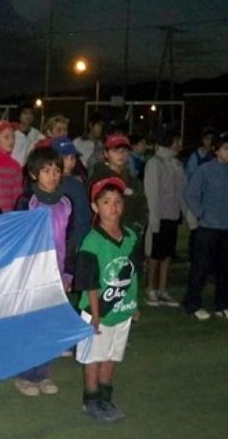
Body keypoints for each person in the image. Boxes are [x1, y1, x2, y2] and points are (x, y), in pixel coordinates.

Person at [75, 176, 141, 422]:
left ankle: (105, 397)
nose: (113, 207)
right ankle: (91, 400)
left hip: (122, 310)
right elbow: (89, 282)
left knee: (113, 355)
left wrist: (134, 305)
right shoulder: (91, 242)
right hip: (99, 313)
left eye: (118, 202)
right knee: (94, 357)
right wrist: (95, 314)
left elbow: (134, 274)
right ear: (95, 207)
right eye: (106, 202)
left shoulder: (131, 237)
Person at [13, 147, 73, 397]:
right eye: (46, 170)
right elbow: (16, 240)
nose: (52, 175)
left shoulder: (66, 203)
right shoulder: (26, 202)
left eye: (57, 170)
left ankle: (44, 373)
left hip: (56, 274)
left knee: (49, 325)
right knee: (30, 326)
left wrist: (67, 274)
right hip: (30, 275)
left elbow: (68, 241)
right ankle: (26, 375)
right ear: (34, 173)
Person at [182, 132, 228, 321]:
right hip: (208, 228)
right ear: (216, 150)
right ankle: (192, 304)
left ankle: (224, 304)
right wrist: (202, 214)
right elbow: (191, 194)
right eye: (226, 148)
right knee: (201, 269)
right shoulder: (205, 170)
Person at [143, 133, 187, 308]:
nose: (179, 144)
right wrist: (154, 218)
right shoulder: (155, 163)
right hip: (159, 216)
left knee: (167, 254)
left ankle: (162, 289)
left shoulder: (176, 164)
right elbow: (152, 191)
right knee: (154, 255)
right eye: (177, 141)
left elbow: (181, 191)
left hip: (172, 216)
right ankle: (151, 289)